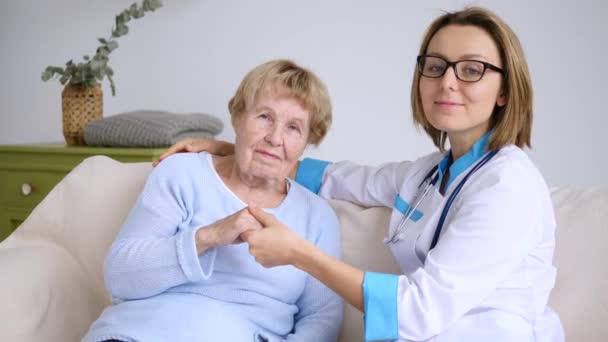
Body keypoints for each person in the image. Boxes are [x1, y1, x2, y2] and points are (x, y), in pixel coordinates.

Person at [157, 7, 564, 342]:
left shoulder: (508, 186)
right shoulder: (429, 173)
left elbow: (418, 312)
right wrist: (241, 149)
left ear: (506, 91)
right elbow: (340, 178)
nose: (447, 83)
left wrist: (299, 254)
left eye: (471, 70)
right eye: (435, 67)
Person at [83, 59, 343, 342]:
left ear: (307, 141)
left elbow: (322, 319)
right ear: (238, 118)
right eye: (265, 117)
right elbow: (120, 277)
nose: (275, 137)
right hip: (134, 335)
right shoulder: (182, 173)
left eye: (294, 127)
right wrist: (208, 236)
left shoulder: (316, 216)